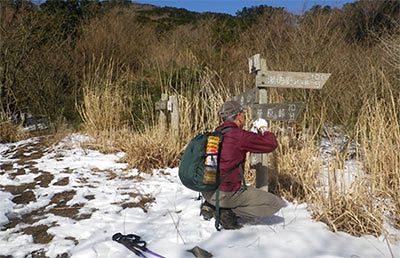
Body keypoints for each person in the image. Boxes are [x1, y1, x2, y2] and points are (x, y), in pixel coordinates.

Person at [201, 100, 285, 229]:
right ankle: (228, 212)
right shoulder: (239, 136)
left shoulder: (216, 132)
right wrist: (263, 128)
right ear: (239, 116)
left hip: (208, 191)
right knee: (275, 204)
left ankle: (212, 205)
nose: (245, 117)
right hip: (225, 195)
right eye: (244, 114)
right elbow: (270, 144)